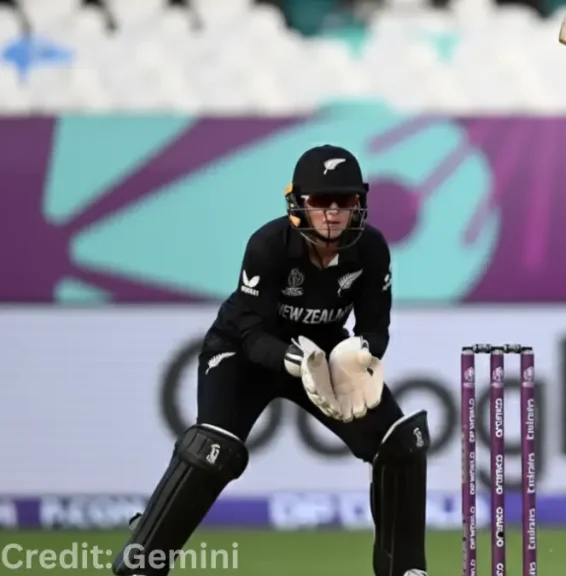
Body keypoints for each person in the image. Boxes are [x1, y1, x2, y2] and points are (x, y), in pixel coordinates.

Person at [112, 145, 429, 576]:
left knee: (400, 444)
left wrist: (361, 355)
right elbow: (251, 333)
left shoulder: (371, 249)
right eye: (321, 201)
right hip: (247, 353)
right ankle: (143, 556)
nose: (333, 212)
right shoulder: (268, 245)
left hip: (324, 357)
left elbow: (376, 326)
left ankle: (406, 570)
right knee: (215, 450)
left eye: (345, 201)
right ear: (299, 202)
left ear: (360, 203)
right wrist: (296, 360)